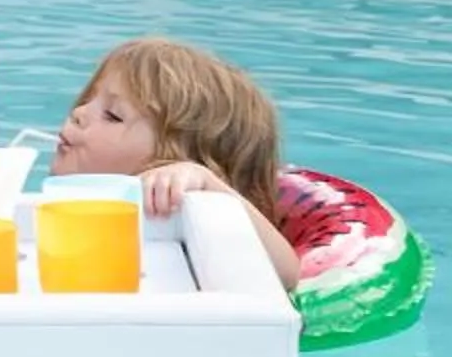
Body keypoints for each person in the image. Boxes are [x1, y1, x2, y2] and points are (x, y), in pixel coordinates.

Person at [47, 36, 301, 290]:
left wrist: (206, 184)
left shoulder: (186, 238)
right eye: (88, 100)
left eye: (112, 115)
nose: (78, 112)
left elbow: (285, 276)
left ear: (168, 160)